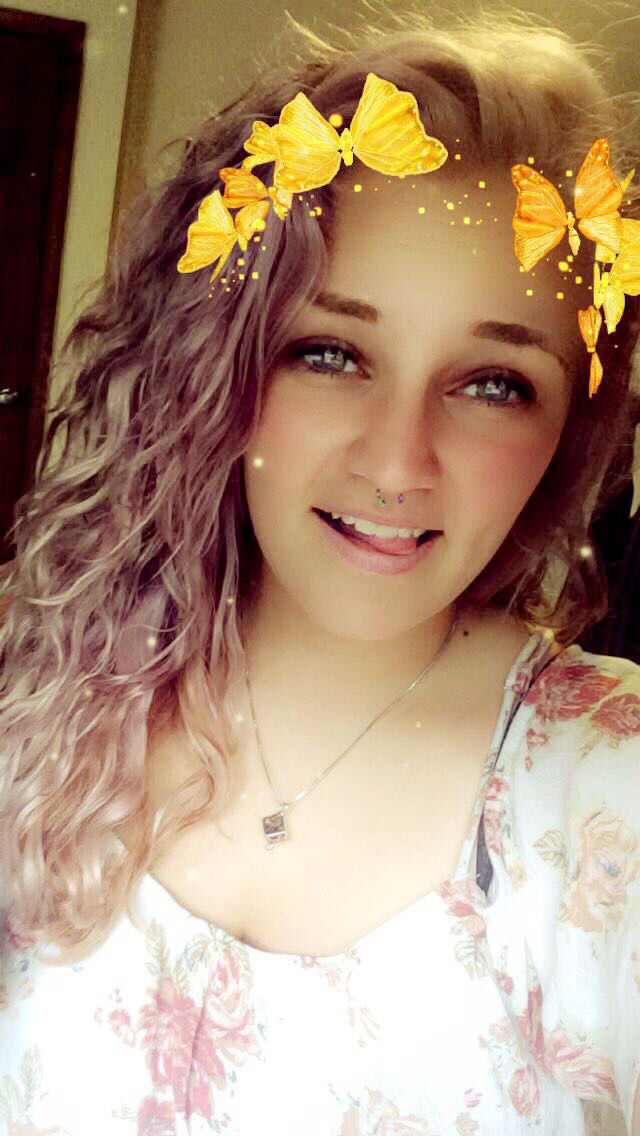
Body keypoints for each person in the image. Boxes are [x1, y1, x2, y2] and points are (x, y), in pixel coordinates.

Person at [0, 5, 639, 1134]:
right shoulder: (44, 682)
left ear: (565, 433)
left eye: (493, 382)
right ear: (217, 369)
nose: (397, 461)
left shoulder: (594, 786)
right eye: (330, 353)